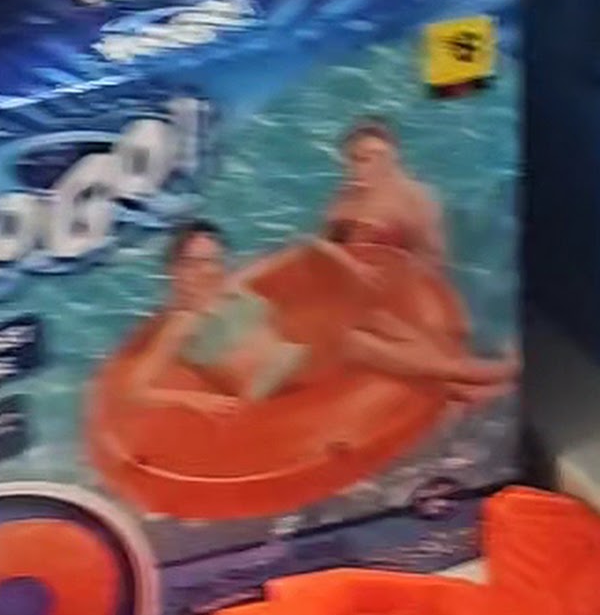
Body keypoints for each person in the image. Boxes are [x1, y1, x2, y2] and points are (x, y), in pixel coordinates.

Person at [319, 120, 517, 404]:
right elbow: (326, 245)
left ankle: (487, 373)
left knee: (352, 342)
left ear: (393, 157)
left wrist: (395, 292)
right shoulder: (343, 198)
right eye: (356, 158)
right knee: (339, 337)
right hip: (353, 293)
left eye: (373, 157)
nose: (363, 166)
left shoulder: (415, 199)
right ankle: (478, 381)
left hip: (396, 295)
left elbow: (432, 259)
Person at [127, 222, 307, 416]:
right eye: (194, 263)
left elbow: (278, 257)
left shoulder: (227, 284)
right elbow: (134, 390)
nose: (207, 270)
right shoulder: (183, 322)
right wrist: (193, 400)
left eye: (213, 260)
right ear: (175, 269)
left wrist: (301, 245)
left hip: (295, 363)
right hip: (269, 388)